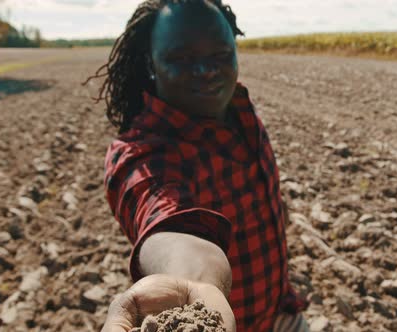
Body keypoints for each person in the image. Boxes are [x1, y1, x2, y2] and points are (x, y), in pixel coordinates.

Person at [87, 1, 309, 331]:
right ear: (151, 63)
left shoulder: (241, 112)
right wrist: (195, 288)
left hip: (280, 313)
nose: (206, 70)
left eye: (220, 54)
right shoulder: (140, 155)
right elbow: (168, 224)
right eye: (182, 58)